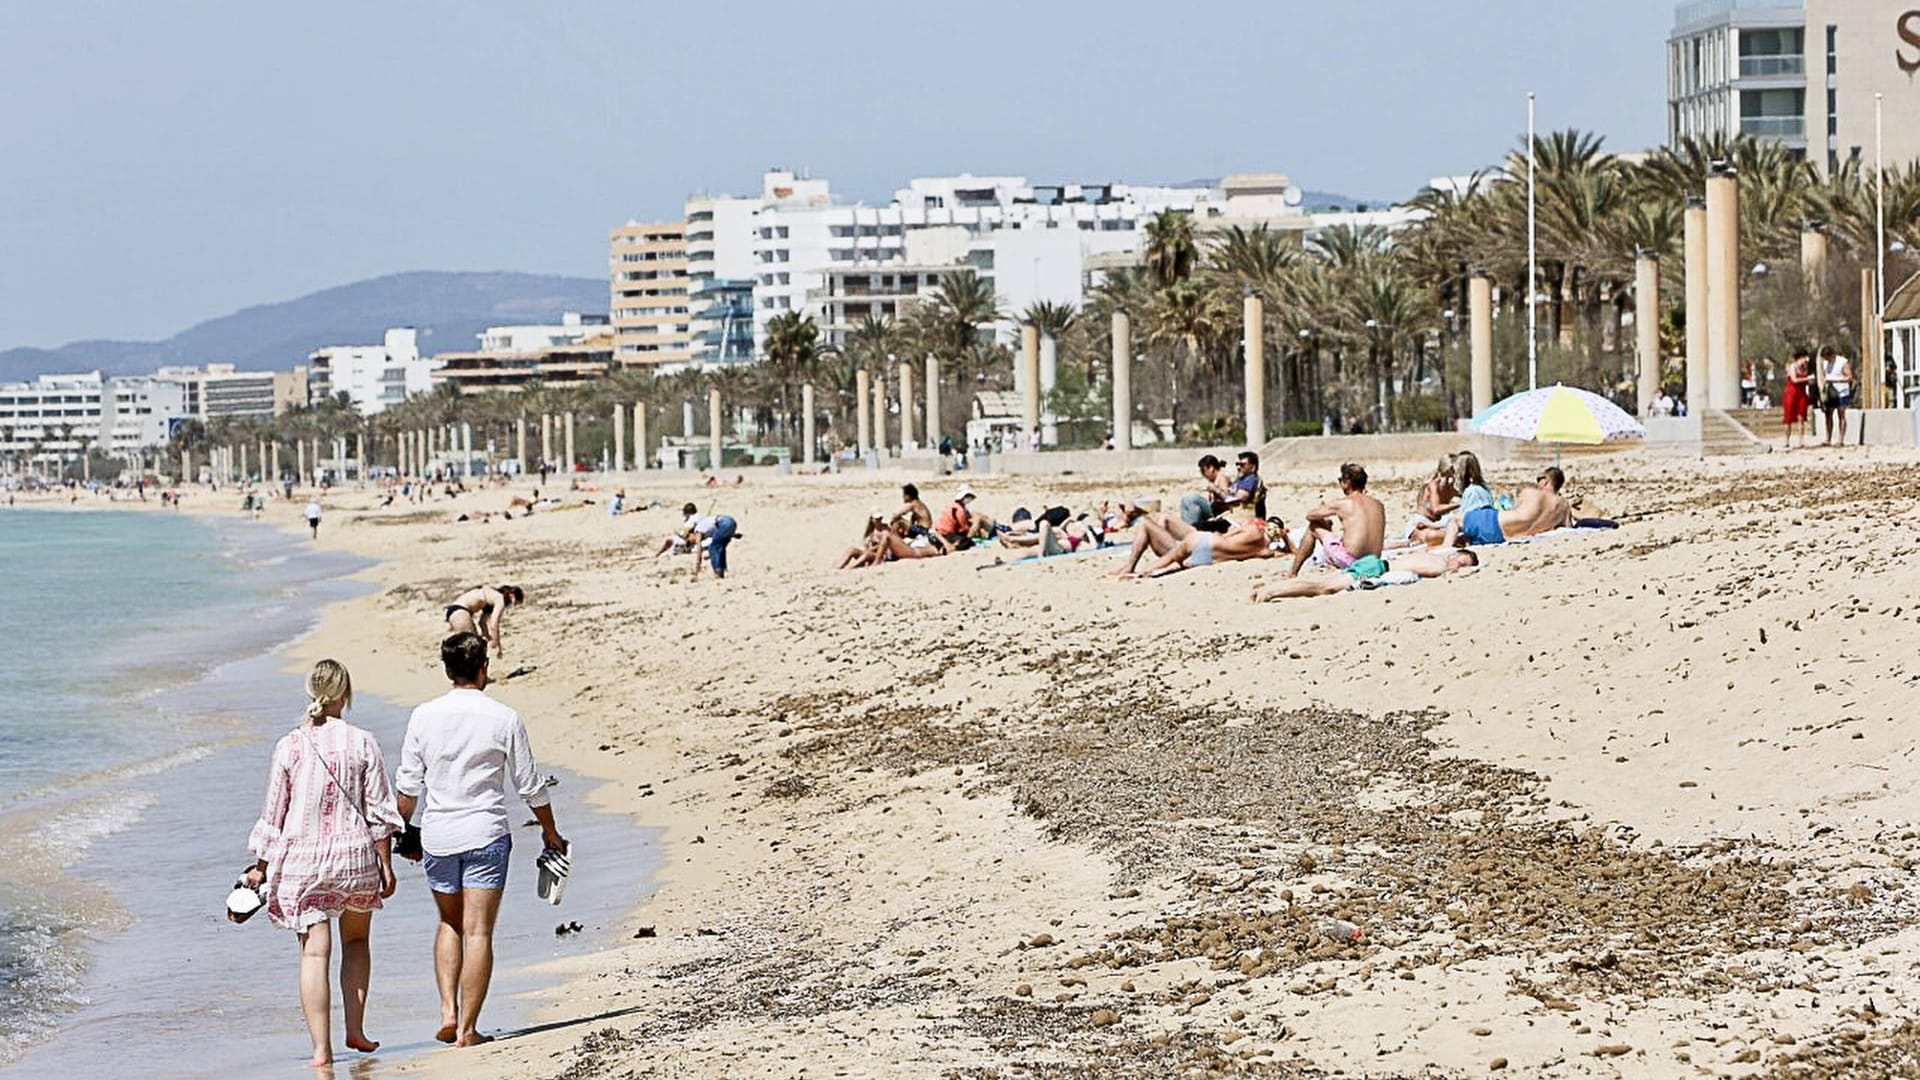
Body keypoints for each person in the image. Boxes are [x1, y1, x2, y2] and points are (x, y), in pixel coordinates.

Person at [395, 633, 565, 1049]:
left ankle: (447, 1012)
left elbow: (408, 787)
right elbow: (530, 785)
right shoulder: (504, 717)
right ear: (484, 667)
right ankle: (468, 1030)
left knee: (449, 923)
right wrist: (550, 830)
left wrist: (399, 834)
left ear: (447, 670)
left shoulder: (423, 715)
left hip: (438, 835)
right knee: (478, 933)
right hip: (485, 833)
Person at [245, 659, 403, 1067]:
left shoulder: (290, 745)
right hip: (353, 856)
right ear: (345, 695)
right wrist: (385, 864)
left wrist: (261, 866)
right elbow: (380, 813)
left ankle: (321, 1050)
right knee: (356, 942)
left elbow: (273, 814)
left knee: (314, 955)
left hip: (302, 861)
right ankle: (356, 1030)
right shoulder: (363, 742)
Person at [1252, 548, 1478, 602]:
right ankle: (1271, 590)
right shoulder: (1439, 564)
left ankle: (1272, 587)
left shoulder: (1431, 554)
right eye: (1462, 560)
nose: (1460, 565)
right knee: (1324, 588)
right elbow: (1448, 573)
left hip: (1376, 563)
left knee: (1325, 586)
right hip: (1378, 568)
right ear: (1455, 555)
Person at [1285, 463, 1386, 580]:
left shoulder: (1343, 503)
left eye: (1340, 480)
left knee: (1313, 527)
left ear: (1347, 482)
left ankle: (1292, 573)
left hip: (1351, 560)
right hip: (1373, 561)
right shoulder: (1379, 505)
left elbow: (1310, 515)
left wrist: (1324, 522)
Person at [1122, 515, 1280, 578]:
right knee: (1177, 562)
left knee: (1146, 526)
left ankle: (1134, 571)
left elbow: (1224, 536)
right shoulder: (1264, 551)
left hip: (1205, 541)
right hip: (1208, 560)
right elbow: (1288, 552)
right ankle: (1151, 573)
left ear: (1262, 524)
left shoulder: (1251, 529)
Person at [443, 585, 525, 656]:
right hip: (461, 613)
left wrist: (489, 638)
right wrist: (497, 644)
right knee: (472, 648)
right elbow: (494, 624)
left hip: (454, 611)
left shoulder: (489, 595)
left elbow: (482, 623)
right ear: (512, 595)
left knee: (467, 647)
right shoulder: (499, 598)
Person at [1495, 467, 1573, 538]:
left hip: (1497, 525)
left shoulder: (1529, 492)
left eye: (1539, 479)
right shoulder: (1564, 505)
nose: (1537, 483)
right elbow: (1568, 528)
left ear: (1545, 481)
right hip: (1512, 533)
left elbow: (1514, 512)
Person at [687, 507, 738, 579]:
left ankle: (718, 571)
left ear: (690, 534)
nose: (692, 543)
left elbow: (699, 551)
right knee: (720, 547)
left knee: (713, 548)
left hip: (724, 522)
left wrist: (697, 568)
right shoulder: (703, 527)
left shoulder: (697, 531)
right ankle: (722, 570)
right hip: (730, 522)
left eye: (689, 541)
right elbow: (718, 531)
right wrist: (733, 535)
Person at [1180, 455, 1232, 526]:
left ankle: (1191, 528)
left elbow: (1227, 498)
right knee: (1186, 501)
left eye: (1203, 471)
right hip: (1213, 508)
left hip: (1219, 509)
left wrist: (1215, 489)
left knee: (1192, 499)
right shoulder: (1214, 479)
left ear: (1211, 468)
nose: (1203, 474)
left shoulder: (1221, 477)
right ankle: (1188, 526)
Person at [1820, 345, 1852, 446]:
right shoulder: (1825, 363)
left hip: (1841, 391)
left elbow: (1849, 377)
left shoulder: (1842, 362)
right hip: (1830, 392)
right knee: (1828, 414)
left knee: (1841, 414)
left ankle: (1841, 439)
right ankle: (1828, 438)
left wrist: (1836, 380)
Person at [1782, 347, 1814, 448]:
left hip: (1802, 393)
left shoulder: (1806, 367)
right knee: (1788, 418)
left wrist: (1809, 381)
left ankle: (1801, 441)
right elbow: (1794, 380)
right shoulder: (1792, 367)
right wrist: (1807, 378)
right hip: (1791, 393)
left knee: (1801, 417)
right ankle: (1786, 440)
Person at [1223, 451, 1266, 520]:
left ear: (1253, 467)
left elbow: (1241, 496)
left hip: (1244, 518)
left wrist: (1218, 491)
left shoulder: (1251, 479)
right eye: (1237, 464)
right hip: (1234, 515)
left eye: (1242, 465)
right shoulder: (1241, 479)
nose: (1238, 467)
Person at [935, 486, 979, 550]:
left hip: (940, 531)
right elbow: (964, 527)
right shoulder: (960, 510)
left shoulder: (953, 505)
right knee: (968, 542)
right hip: (946, 534)